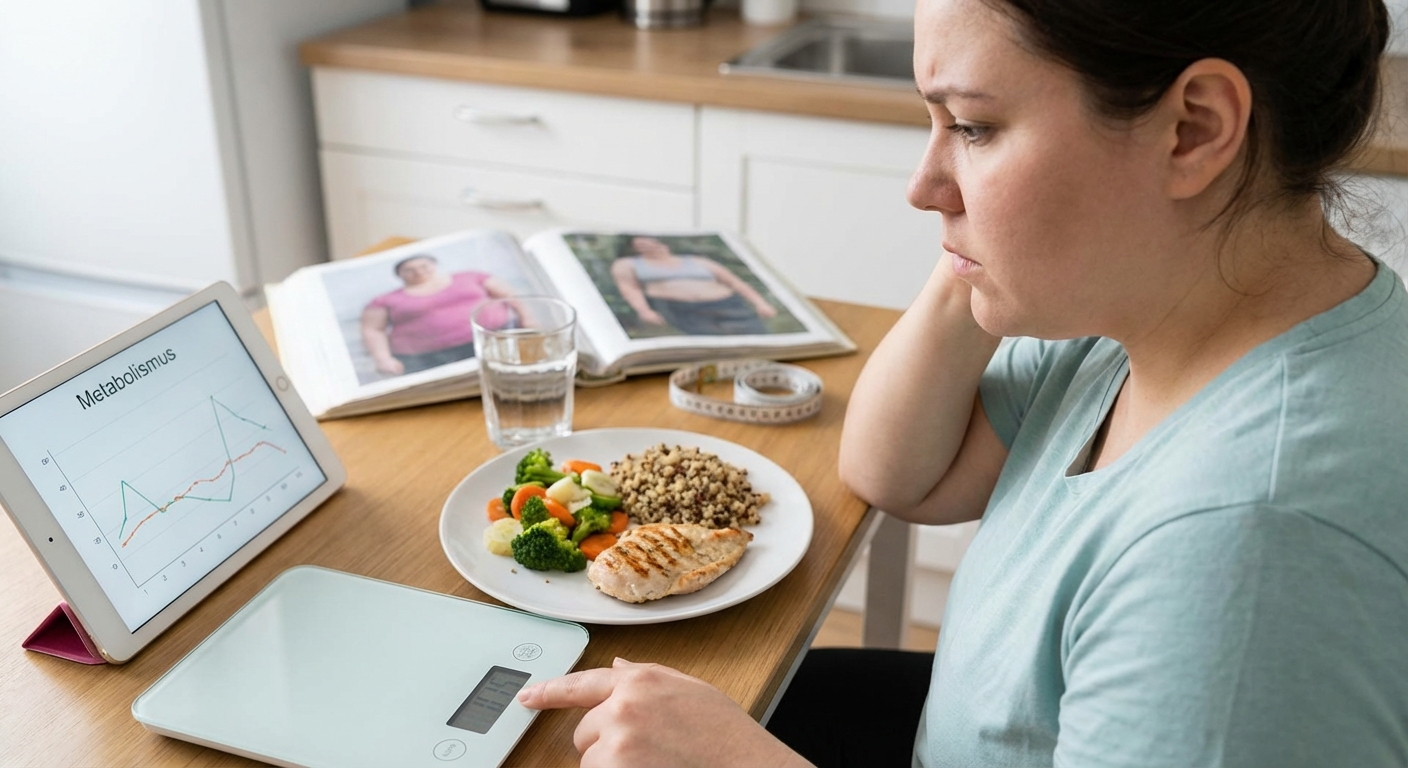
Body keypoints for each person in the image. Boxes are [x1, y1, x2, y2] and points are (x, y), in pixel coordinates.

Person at [516, 0, 1408, 765]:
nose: (921, 184)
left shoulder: (1247, 548)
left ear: (1196, 129)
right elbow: (900, 472)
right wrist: (981, 237)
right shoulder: (1157, 310)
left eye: (973, 126)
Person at [360, 254, 518, 376]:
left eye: (424, 266)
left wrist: (529, 319)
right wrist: (383, 359)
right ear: (399, 275)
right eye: (408, 270)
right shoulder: (385, 300)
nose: (418, 271)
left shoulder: (470, 277)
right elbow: (373, 330)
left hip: (494, 338)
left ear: (434, 265)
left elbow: (510, 296)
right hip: (426, 357)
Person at [609, 235, 778, 335]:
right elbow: (630, 289)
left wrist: (761, 303)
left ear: (664, 244)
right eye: (640, 244)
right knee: (710, 341)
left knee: (755, 335)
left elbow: (735, 282)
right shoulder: (627, 264)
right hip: (680, 307)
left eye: (651, 242)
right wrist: (644, 311)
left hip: (727, 303)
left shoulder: (698, 261)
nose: (647, 246)